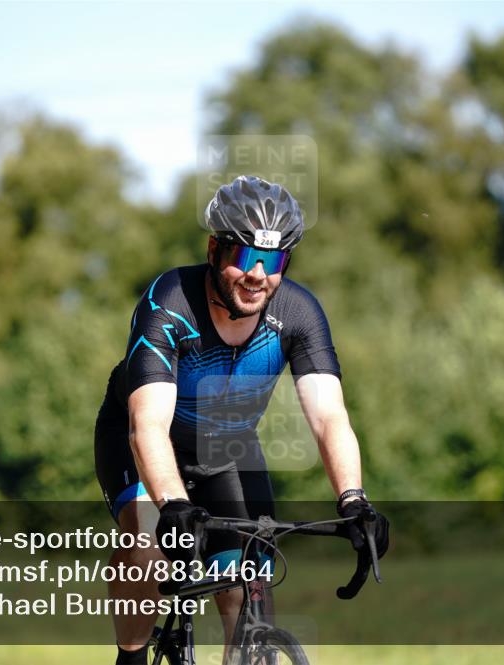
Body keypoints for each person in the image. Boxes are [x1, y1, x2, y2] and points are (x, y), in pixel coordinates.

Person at [94, 175, 389, 664]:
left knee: (249, 580)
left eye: (272, 261)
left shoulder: (298, 314)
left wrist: (354, 500)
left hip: (226, 445)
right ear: (214, 250)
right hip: (144, 441)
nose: (257, 274)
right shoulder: (170, 301)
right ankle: (131, 657)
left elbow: (329, 416)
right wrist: (171, 502)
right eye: (243, 257)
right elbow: (146, 426)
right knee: (144, 542)